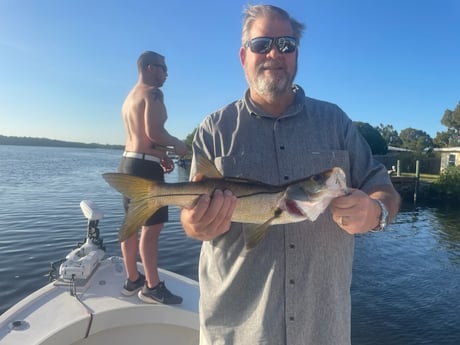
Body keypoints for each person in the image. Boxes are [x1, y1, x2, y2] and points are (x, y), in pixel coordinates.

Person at [180, 5, 401, 345]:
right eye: (261, 44)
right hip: (239, 329)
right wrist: (195, 226)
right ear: (243, 55)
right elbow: (191, 218)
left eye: (286, 44)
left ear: (297, 54)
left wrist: (376, 213)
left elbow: (381, 186)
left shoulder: (336, 122)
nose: (274, 53)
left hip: (322, 327)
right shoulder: (214, 130)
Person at [118, 51, 188, 305]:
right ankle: (152, 286)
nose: (166, 74)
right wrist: (178, 145)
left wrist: (160, 155)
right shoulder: (153, 93)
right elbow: (155, 132)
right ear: (149, 68)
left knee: (131, 223)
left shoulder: (130, 98)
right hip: (146, 170)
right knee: (151, 229)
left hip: (129, 162)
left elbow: (142, 139)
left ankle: (132, 278)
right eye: (163, 68)